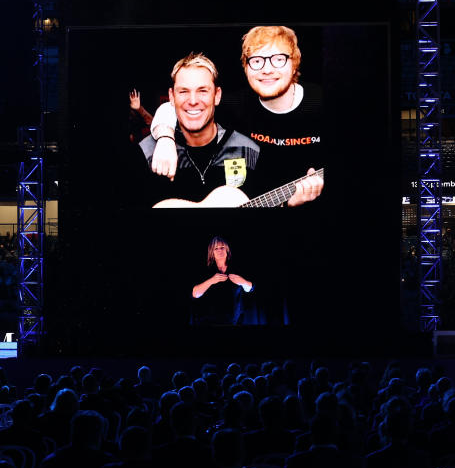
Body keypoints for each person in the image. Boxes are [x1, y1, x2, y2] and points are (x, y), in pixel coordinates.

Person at [148, 26, 323, 206]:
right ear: (246, 67)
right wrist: (165, 138)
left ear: (294, 64)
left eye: (279, 59)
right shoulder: (237, 105)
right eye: (256, 61)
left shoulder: (320, 102)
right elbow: (178, 106)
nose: (267, 69)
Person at [137, 53, 261, 207]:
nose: (193, 101)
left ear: (217, 95)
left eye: (203, 91)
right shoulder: (145, 153)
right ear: (171, 97)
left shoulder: (248, 151)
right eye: (183, 91)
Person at [192, 236, 255, 326]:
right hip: (208, 321)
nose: (219, 250)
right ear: (211, 252)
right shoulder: (205, 270)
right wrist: (211, 281)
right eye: (216, 248)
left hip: (234, 321)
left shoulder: (237, 268)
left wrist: (243, 281)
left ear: (227, 250)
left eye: (222, 247)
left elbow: (250, 288)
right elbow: (195, 294)